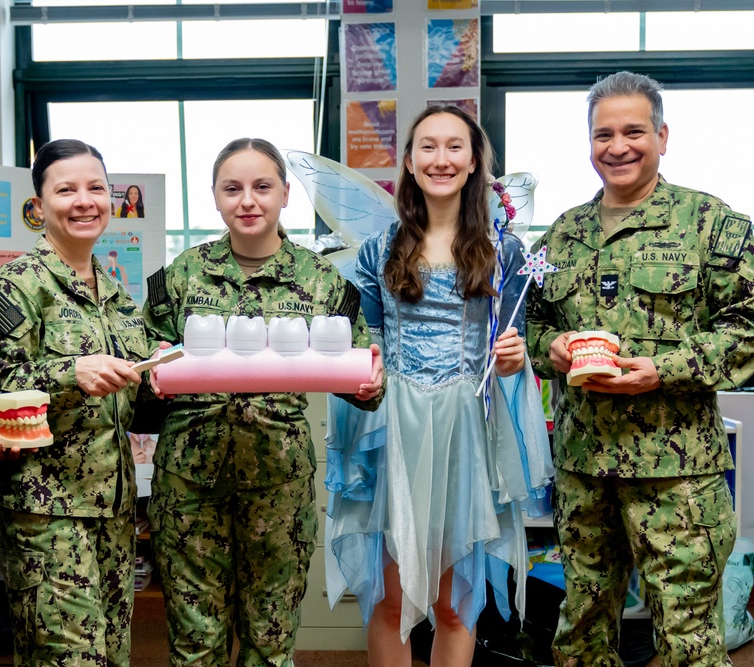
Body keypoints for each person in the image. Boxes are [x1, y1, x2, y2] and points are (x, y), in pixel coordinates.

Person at [526, 71, 754, 666]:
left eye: (634, 131)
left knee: (688, 639)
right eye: (604, 134)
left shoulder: (708, 223)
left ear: (662, 135)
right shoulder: (564, 234)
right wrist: (548, 346)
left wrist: (666, 367)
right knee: (580, 634)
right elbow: (527, 325)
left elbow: (749, 326)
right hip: (583, 470)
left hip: (675, 473)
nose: (618, 146)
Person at [141, 137, 385, 666]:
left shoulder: (323, 283)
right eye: (232, 188)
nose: (247, 200)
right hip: (189, 484)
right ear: (215, 197)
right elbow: (142, 376)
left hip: (278, 482)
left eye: (261, 187)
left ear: (285, 194)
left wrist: (371, 384)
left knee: (270, 643)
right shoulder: (180, 277)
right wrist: (151, 375)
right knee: (194, 643)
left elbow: (363, 380)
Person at [325, 105, 553, 667]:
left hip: (465, 435)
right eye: (427, 146)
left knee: (455, 605)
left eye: (455, 146)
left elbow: (512, 345)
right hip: (394, 431)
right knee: (390, 600)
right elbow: (365, 345)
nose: (441, 158)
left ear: (475, 161)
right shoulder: (379, 251)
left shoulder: (507, 253)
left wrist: (512, 360)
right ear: (408, 160)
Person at [0, 139, 149, 666]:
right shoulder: (17, 287)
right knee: (66, 660)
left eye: (96, 187)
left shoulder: (117, 296)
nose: (84, 201)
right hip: (45, 509)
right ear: (39, 205)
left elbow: (133, 389)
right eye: (65, 189)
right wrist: (71, 371)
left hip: (113, 507)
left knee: (112, 656)